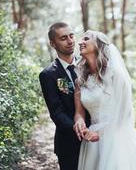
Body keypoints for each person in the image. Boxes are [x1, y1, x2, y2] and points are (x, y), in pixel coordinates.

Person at [74, 30, 136, 170]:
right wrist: (79, 121)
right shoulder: (81, 79)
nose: (80, 42)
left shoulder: (115, 75)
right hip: (91, 140)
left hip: (116, 138)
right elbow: (79, 112)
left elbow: (126, 113)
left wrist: (100, 133)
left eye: (86, 39)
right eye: (81, 39)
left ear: (99, 45)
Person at [39, 22, 98, 170]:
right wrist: (79, 129)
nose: (70, 41)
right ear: (53, 44)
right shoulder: (48, 75)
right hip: (69, 143)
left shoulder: (89, 64)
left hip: (98, 138)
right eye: (63, 38)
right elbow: (56, 112)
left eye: (71, 36)